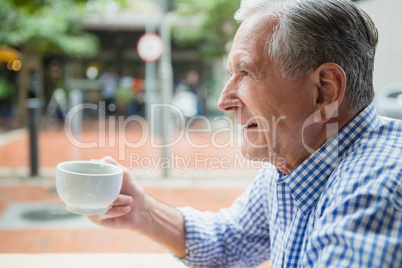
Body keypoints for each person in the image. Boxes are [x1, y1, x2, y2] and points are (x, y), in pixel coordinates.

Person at [88, 0, 402, 267]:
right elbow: (229, 239)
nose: (223, 101)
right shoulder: (297, 159)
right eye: (231, 74)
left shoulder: (373, 195)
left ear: (324, 90)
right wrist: (140, 210)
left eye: (246, 72)